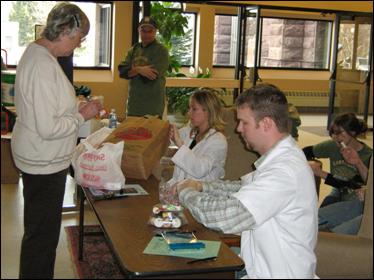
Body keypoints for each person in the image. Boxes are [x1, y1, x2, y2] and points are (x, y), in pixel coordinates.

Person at [175, 84, 318, 278]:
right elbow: (243, 187)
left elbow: (224, 216)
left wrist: (184, 192)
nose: (238, 129)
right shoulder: (280, 159)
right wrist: (201, 185)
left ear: (266, 124)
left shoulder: (284, 171)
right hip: (255, 264)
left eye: (244, 122)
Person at [10, 3, 102, 278]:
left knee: (40, 233)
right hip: (43, 162)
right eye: (79, 38)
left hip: (41, 157)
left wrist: (73, 106)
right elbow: (49, 127)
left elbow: (48, 108)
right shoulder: (41, 65)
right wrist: (81, 116)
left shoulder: (41, 55)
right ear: (64, 31)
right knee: (41, 238)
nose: (79, 44)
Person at [303, 113, 372, 207]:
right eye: (333, 132)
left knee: (322, 218)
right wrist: (313, 163)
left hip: (356, 197)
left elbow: (349, 185)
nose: (335, 137)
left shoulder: (368, 155)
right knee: (317, 215)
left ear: (353, 132)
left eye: (339, 132)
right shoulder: (333, 145)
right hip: (338, 191)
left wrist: (321, 173)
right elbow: (305, 152)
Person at [168, 89, 227, 184]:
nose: (189, 113)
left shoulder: (218, 140)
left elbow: (199, 170)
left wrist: (179, 143)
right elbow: (169, 138)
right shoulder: (191, 131)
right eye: (190, 108)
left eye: (194, 109)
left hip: (200, 195)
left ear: (208, 112)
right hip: (179, 190)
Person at [118, 16, 169, 118]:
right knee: (131, 133)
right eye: (143, 31)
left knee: (151, 133)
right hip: (133, 106)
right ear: (139, 31)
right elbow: (122, 71)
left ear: (155, 32)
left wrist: (132, 71)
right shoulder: (134, 50)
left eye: (150, 31)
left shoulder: (161, 51)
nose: (146, 34)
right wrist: (139, 70)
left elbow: (151, 76)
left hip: (152, 107)